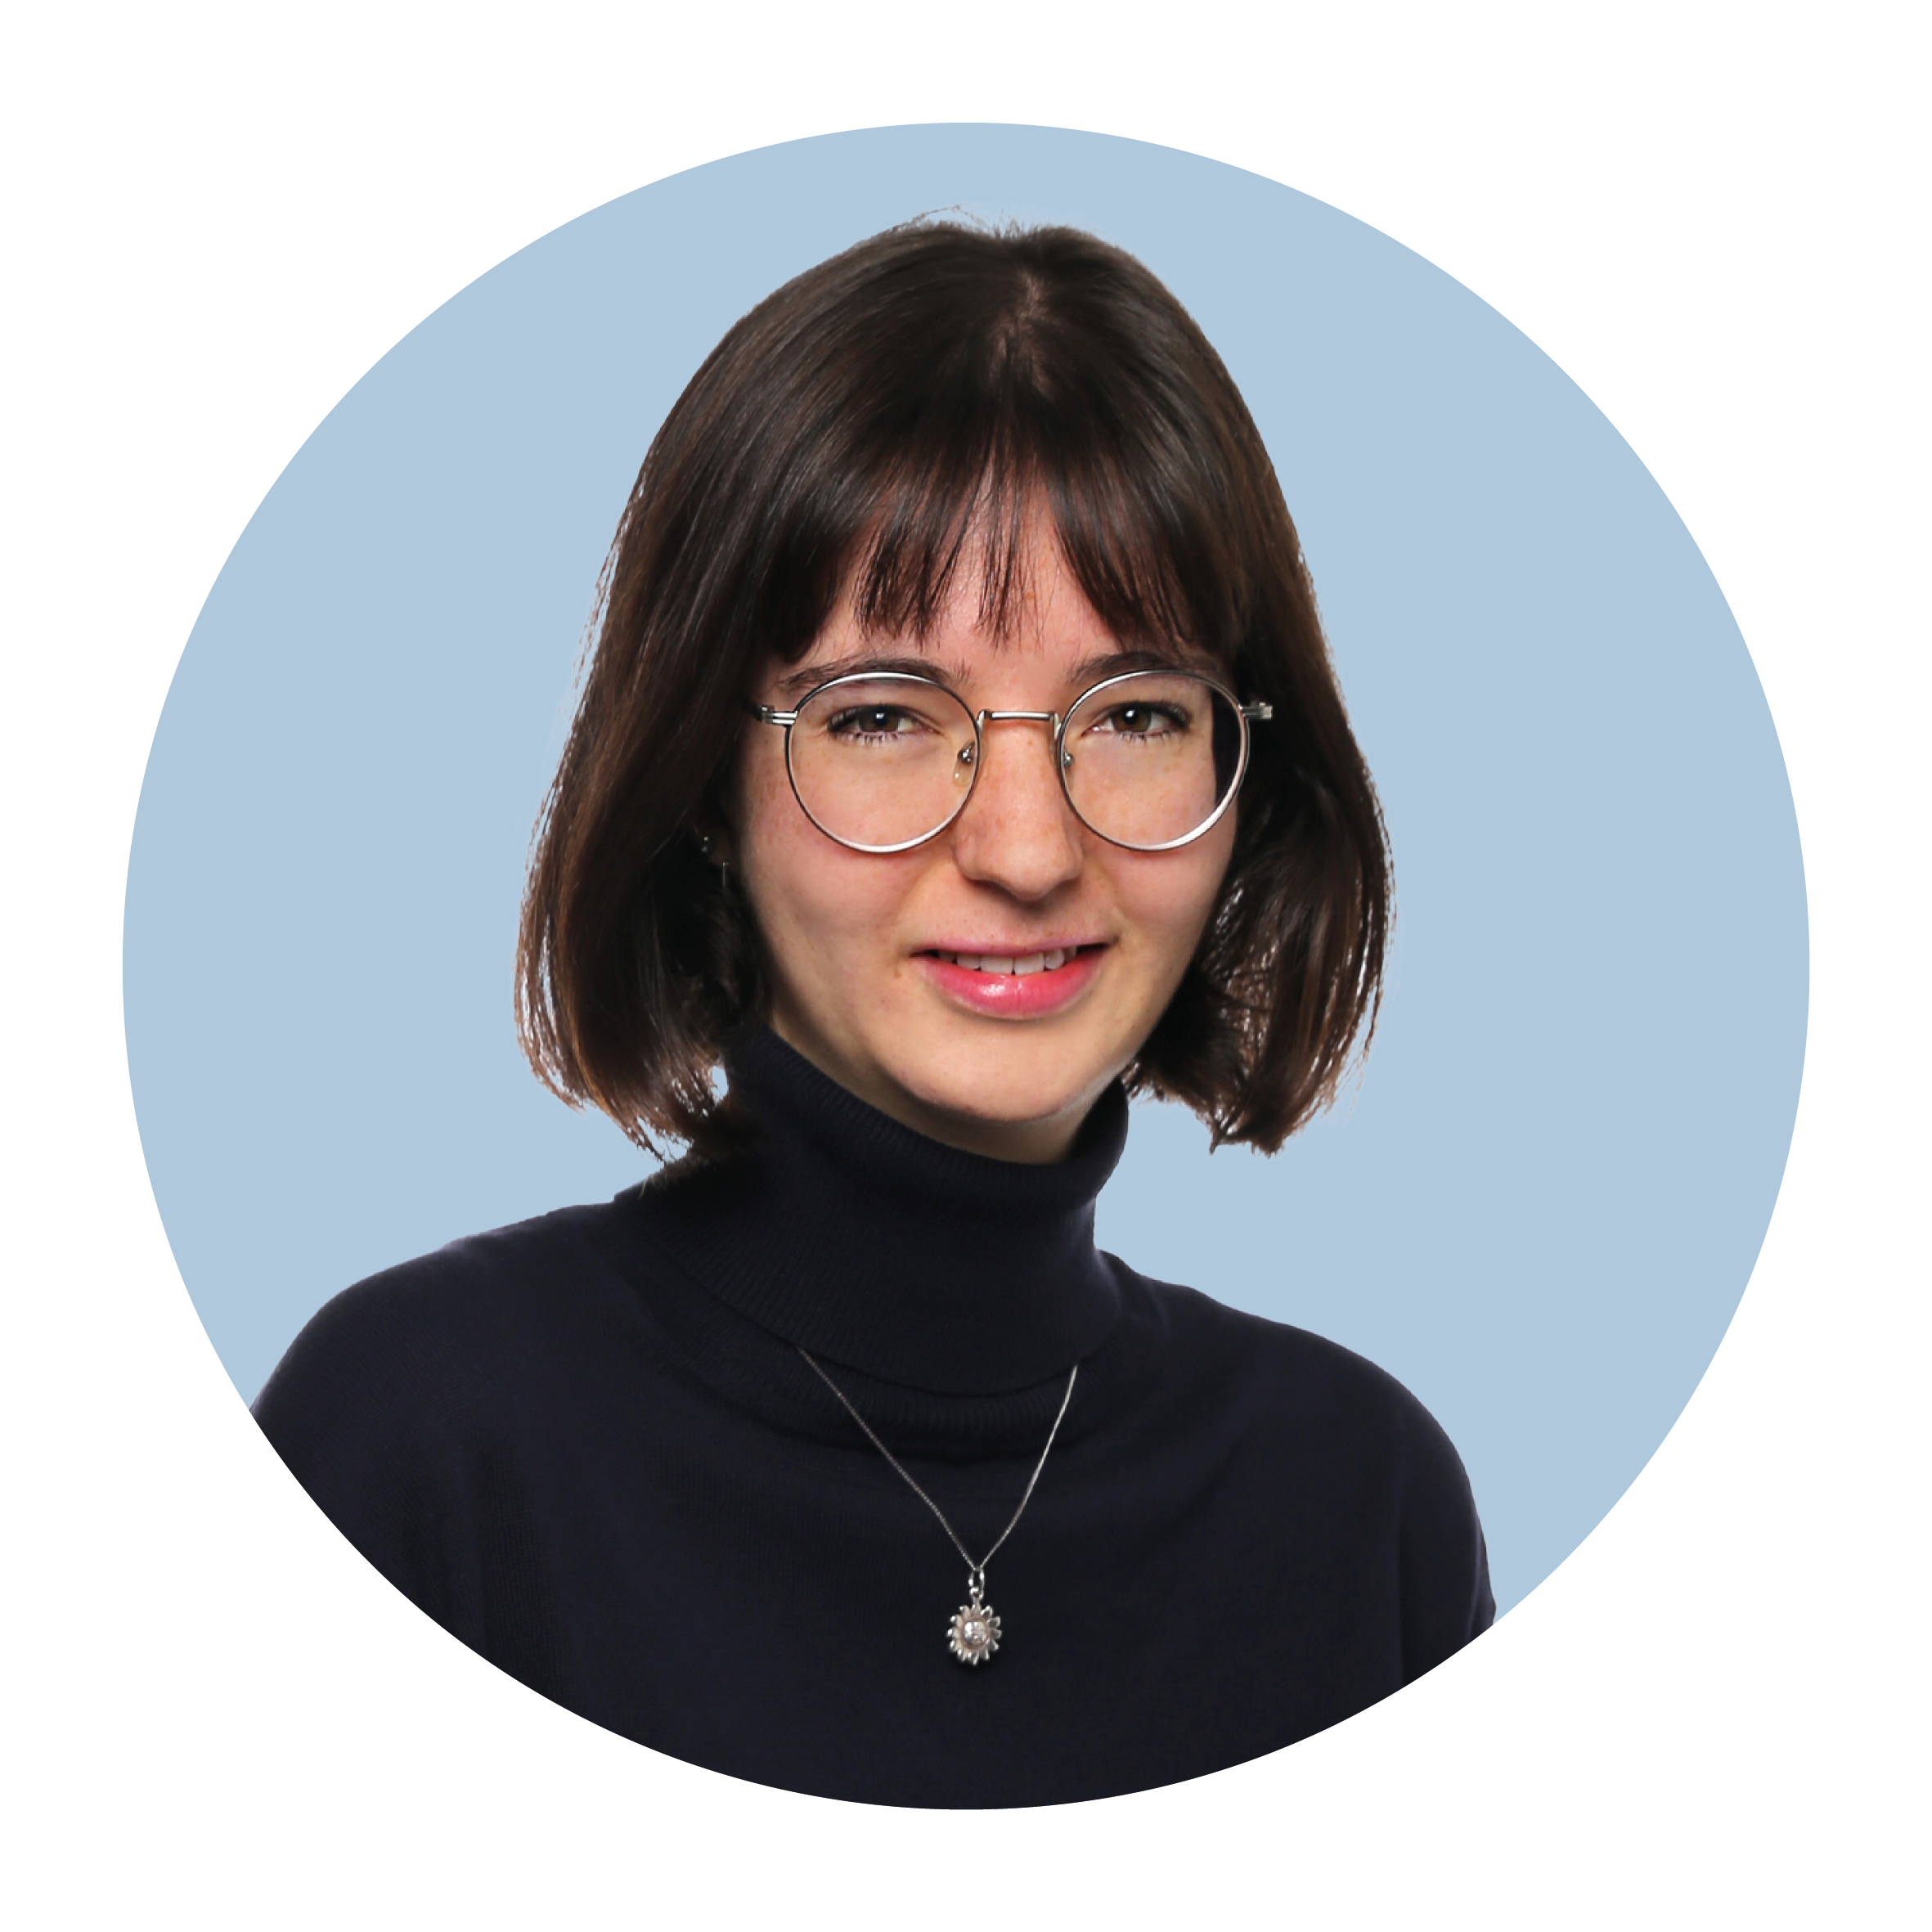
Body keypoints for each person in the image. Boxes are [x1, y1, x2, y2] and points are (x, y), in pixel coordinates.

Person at [254, 220, 1493, 1807]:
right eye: (884, 716)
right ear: (705, 783)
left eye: (1132, 713)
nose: (1028, 849)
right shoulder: (419, 1442)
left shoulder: (1361, 1509)